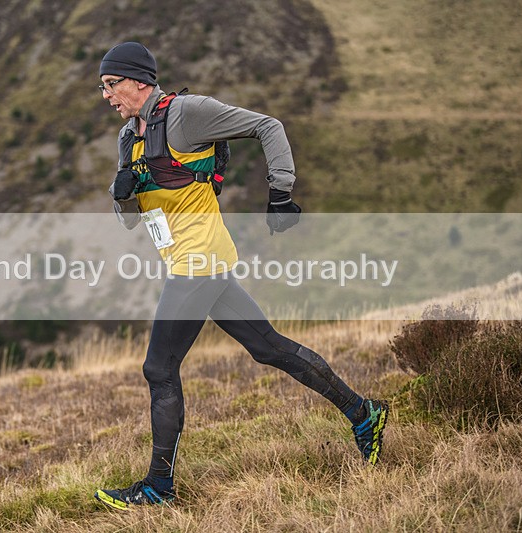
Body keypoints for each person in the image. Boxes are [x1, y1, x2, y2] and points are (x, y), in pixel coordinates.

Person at [93, 42, 388, 510]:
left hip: (199, 261)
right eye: (102, 87)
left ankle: (158, 488)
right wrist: (122, 193)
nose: (106, 95)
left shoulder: (187, 113)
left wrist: (281, 193)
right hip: (192, 261)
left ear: (138, 80)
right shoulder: (129, 137)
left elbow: (268, 126)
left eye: (111, 85)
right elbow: (130, 219)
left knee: (159, 369)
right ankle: (362, 411)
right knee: (267, 348)